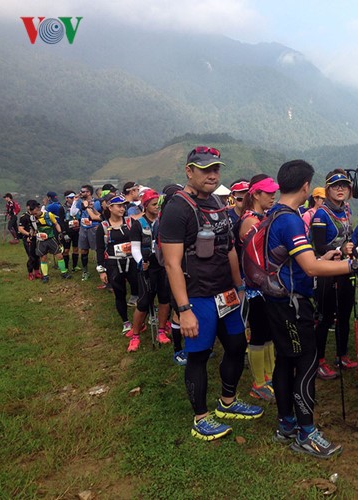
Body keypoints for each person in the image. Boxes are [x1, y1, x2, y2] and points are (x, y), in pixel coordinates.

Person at [263, 159, 358, 458]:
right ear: (306, 186)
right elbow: (311, 266)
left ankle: (286, 423)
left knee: (284, 361)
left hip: (275, 299)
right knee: (305, 363)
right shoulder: (290, 219)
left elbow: (299, 258)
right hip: (293, 303)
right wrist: (355, 264)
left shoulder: (273, 214)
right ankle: (306, 433)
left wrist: (329, 255)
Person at [160, 146, 263, 441]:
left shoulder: (218, 202)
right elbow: (171, 263)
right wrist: (184, 309)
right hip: (198, 297)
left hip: (226, 293)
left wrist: (239, 286)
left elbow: (229, 247)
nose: (212, 174)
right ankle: (201, 418)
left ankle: (227, 403)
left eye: (216, 169)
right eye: (205, 169)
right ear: (189, 171)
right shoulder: (177, 208)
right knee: (198, 355)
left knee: (235, 346)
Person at [311, 170, 358, 380]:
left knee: (345, 313)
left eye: (344, 186)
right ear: (328, 189)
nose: (340, 189)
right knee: (325, 317)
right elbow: (318, 245)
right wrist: (341, 249)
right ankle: (318, 361)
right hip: (327, 272)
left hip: (345, 268)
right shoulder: (321, 214)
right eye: (335, 186)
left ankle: (342, 355)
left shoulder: (345, 210)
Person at [237, 174, 280, 401]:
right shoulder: (251, 221)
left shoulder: (261, 216)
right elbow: (256, 259)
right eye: (268, 193)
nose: (273, 196)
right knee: (259, 333)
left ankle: (270, 375)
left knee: (269, 333)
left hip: (265, 286)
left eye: (274, 192)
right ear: (255, 194)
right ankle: (258, 382)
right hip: (255, 287)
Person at [128, 189, 171, 348]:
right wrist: (140, 262)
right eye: (154, 205)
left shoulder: (163, 221)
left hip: (162, 265)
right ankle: (136, 334)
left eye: (158, 204)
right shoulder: (138, 224)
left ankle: (161, 330)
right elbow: (135, 248)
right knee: (144, 301)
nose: (157, 207)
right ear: (145, 206)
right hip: (146, 266)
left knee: (165, 298)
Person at [95, 195, 140, 343]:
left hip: (132, 262)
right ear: (110, 208)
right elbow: (100, 249)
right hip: (113, 264)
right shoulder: (102, 227)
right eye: (119, 206)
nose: (122, 208)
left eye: (124, 206)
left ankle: (139, 320)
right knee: (120, 293)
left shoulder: (129, 222)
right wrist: (101, 270)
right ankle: (126, 322)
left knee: (137, 291)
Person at [27, 201, 72, 283]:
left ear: (37, 209)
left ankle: (64, 273)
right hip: (41, 240)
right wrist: (30, 236)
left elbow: (56, 223)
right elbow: (33, 229)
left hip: (51, 238)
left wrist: (60, 232)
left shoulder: (48, 215)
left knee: (59, 256)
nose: (32, 214)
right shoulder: (32, 218)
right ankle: (45, 276)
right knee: (43, 258)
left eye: (33, 212)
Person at [70, 185, 102, 281]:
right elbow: (72, 213)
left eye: (83, 191)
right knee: (83, 250)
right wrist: (75, 200)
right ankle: (85, 271)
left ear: (89, 193)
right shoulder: (80, 202)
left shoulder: (96, 202)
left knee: (97, 249)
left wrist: (100, 225)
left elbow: (102, 215)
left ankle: (101, 270)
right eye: (81, 191)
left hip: (94, 228)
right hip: (83, 228)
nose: (81, 193)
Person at [17, 200, 41, 280]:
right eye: (34, 208)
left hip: (37, 238)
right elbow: (20, 229)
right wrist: (29, 234)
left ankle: (37, 272)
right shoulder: (24, 217)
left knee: (37, 256)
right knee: (32, 257)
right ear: (29, 207)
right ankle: (30, 273)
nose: (36, 209)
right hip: (28, 239)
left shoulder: (36, 216)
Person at [61, 191, 81, 273]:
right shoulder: (62, 208)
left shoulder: (77, 206)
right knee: (66, 250)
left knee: (76, 249)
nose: (73, 199)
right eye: (71, 198)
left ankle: (75, 266)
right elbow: (61, 221)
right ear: (66, 198)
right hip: (67, 231)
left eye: (74, 197)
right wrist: (64, 233)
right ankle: (65, 266)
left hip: (76, 230)